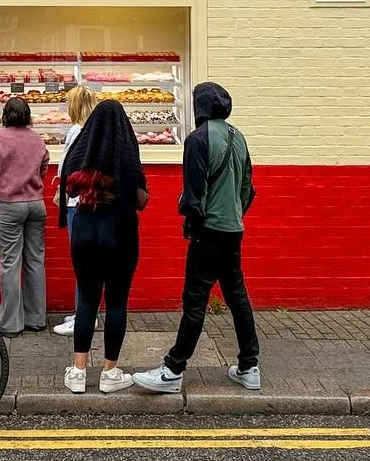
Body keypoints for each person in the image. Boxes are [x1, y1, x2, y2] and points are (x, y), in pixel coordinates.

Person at [133, 82, 260, 394]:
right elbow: (247, 188)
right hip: (233, 229)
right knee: (237, 296)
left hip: (209, 231)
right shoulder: (238, 136)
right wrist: (233, 213)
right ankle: (249, 366)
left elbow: (193, 195)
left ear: (200, 107)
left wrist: (193, 222)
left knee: (195, 299)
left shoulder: (197, 139)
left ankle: (173, 370)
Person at [60, 99, 148, 393]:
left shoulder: (81, 153)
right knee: (117, 301)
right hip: (120, 230)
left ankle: (78, 371)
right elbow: (141, 200)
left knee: (87, 299)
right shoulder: (126, 153)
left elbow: (67, 186)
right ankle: (110, 373)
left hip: (85, 228)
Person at [0, 95, 50, 337]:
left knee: (10, 262)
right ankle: (36, 317)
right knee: (35, 259)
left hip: (10, 204)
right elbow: (44, 167)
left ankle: (11, 322)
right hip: (36, 204)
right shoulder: (37, 139)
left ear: (6, 115)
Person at [52, 85, 100, 337]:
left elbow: (66, 166)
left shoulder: (75, 130)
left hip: (76, 203)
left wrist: (60, 183)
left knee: (81, 262)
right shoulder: (95, 129)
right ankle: (88, 312)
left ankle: (84, 317)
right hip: (90, 201)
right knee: (90, 261)